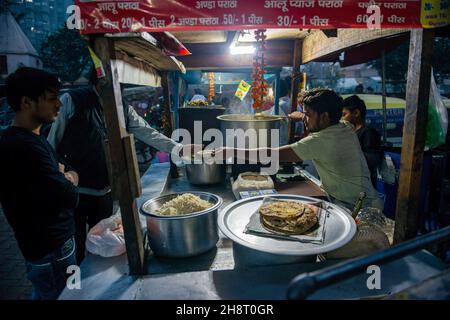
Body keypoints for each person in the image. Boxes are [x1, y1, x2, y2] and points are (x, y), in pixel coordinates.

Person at [47, 69, 191, 264]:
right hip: (75, 191)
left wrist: (178, 148)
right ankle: (75, 283)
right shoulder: (72, 100)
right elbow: (51, 143)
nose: (118, 88)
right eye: (113, 82)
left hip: (105, 189)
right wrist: (57, 176)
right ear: (99, 81)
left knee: (101, 238)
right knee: (77, 242)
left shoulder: (122, 107)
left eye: (120, 84)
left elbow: (147, 132)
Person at [220, 88, 383, 210]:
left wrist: (231, 150)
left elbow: (272, 154)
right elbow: (333, 119)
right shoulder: (344, 126)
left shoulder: (320, 141)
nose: (305, 119)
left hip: (356, 207)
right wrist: (304, 115)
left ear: (325, 116)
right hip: (367, 199)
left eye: (308, 115)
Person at [0, 67, 79, 299]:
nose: (59, 105)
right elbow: (69, 196)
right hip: (51, 251)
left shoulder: (36, 138)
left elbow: (69, 170)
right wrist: (66, 177)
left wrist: (67, 175)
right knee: (64, 296)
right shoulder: (23, 147)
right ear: (27, 102)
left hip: (51, 248)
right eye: (52, 98)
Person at [342, 95, 383, 187]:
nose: (342, 118)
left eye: (344, 114)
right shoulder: (350, 132)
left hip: (363, 185)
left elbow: (372, 160)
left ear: (356, 113)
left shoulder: (369, 132)